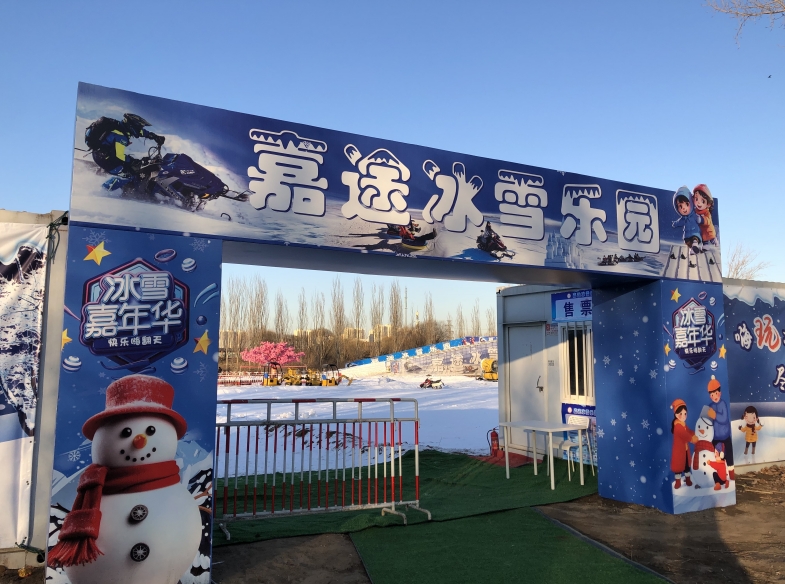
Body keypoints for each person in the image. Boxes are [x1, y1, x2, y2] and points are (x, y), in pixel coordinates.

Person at [85, 113, 165, 178]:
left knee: (129, 166)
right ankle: (111, 187)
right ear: (133, 125)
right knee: (130, 174)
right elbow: (120, 156)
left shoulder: (120, 126)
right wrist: (133, 161)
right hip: (103, 159)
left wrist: (154, 136)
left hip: (100, 154)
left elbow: (141, 132)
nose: (140, 129)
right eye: (139, 127)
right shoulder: (121, 136)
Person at [705, 375, 735, 480]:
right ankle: (720, 474)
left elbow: (724, 419)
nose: (715, 396)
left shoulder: (723, 404)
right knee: (715, 455)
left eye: (716, 393)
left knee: (729, 454)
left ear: (720, 393)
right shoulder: (710, 406)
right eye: (712, 394)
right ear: (710, 396)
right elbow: (707, 420)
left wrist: (715, 415)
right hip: (715, 437)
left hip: (725, 435)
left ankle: (731, 472)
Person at [670, 398, 698, 489]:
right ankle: (678, 481)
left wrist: (695, 434)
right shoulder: (677, 426)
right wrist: (692, 439)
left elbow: (688, 431)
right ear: (675, 414)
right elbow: (684, 435)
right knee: (678, 468)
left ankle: (688, 479)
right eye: (680, 414)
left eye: (685, 413)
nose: (683, 416)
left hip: (685, 450)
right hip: (679, 451)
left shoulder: (683, 424)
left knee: (686, 465)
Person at [671, 186, 703, 256]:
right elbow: (679, 222)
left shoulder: (694, 214)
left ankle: (695, 244)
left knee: (695, 238)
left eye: (687, 204)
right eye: (680, 206)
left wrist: (699, 219)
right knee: (687, 241)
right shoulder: (683, 218)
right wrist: (675, 224)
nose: (683, 208)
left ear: (691, 203)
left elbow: (700, 219)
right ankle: (693, 248)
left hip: (695, 231)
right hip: (687, 235)